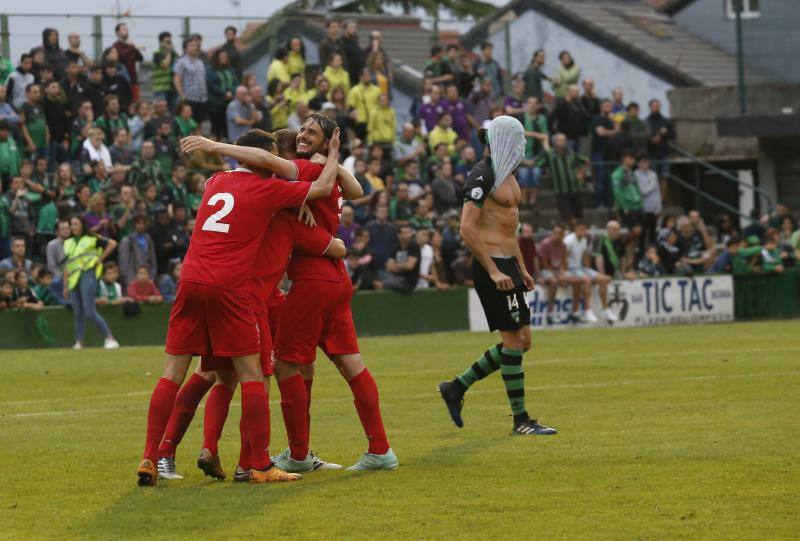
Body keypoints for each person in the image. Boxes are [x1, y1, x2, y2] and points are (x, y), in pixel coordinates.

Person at [137, 127, 342, 487]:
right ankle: (258, 464)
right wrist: (333, 153)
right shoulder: (268, 190)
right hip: (232, 290)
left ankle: (152, 457)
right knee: (253, 377)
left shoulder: (214, 181)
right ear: (263, 158)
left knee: (180, 374)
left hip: (189, 281)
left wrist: (298, 202)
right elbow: (326, 190)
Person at [438, 116, 556, 436]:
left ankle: (456, 387)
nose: (523, 145)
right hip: (493, 267)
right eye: (518, 138)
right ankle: (521, 420)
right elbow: (466, 227)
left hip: (509, 265)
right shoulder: (483, 173)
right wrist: (492, 269)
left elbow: (509, 229)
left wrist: (522, 267)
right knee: (513, 341)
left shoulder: (507, 175)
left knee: (523, 342)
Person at [61, 214, 119, 349]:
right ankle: (79, 342)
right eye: (72, 224)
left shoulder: (92, 239)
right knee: (78, 312)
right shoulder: (67, 243)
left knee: (89, 310)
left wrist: (100, 259)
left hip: (88, 274)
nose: (73, 227)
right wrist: (65, 284)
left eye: (76, 224)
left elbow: (112, 243)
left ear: (82, 225)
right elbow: (67, 265)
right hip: (73, 278)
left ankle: (110, 338)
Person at [565, 222, 617, 323]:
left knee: (605, 279)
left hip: (580, 268)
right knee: (587, 280)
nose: (585, 232)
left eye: (585, 229)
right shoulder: (569, 240)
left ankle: (605, 309)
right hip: (571, 268)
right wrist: (566, 273)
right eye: (582, 229)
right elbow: (564, 257)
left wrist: (588, 270)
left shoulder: (584, 240)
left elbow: (584, 257)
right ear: (576, 229)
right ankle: (587, 310)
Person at [537, 133, 588, 228]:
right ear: (555, 142)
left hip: (575, 189)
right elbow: (537, 163)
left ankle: (574, 234)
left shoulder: (571, 152)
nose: (563, 142)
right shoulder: (550, 155)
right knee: (570, 219)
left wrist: (581, 173)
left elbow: (585, 161)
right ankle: (573, 233)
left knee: (579, 217)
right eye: (561, 140)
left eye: (564, 140)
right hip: (561, 192)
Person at [538, 224, 581, 324]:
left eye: (560, 234)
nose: (557, 235)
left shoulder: (563, 245)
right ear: (552, 233)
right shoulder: (545, 243)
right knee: (554, 282)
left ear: (562, 235)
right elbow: (543, 263)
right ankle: (550, 313)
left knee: (577, 281)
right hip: (545, 270)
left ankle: (575, 312)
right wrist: (558, 275)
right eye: (555, 233)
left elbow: (564, 262)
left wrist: (562, 273)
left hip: (558, 271)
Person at [518, 96, 548, 206]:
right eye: (530, 103)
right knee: (524, 176)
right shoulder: (521, 117)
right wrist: (536, 134)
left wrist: (547, 152)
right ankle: (524, 200)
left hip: (537, 154)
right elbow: (519, 131)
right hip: (522, 154)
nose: (532, 105)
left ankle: (532, 202)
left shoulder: (542, 118)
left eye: (535, 103)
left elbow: (545, 135)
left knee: (536, 176)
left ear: (538, 106)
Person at [173, 37, 208, 123]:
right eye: (191, 45)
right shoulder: (181, 62)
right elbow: (177, 80)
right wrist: (182, 96)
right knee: (189, 123)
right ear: (185, 49)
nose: (195, 47)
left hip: (202, 99)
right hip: (189, 98)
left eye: (195, 45)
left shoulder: (200, 62)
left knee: (200, 123)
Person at [377, 224, 420, 293]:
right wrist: (402, 266)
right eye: (405, 233)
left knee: (379, 284)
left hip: (407, 281)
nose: (409, 235)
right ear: (399, 235)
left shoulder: (414, 246)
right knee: (378, 276)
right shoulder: (395, 247)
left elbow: (410, 266)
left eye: (409, 232)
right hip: (395, 277)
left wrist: (396, 265)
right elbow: (389, 267)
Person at [206, 49, 238, 139]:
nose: (224, 58)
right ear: (217, 57)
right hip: (216, 103)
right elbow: (211, 84)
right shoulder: (210, 69)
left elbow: (235, 82)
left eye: (225, 56)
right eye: (221, 56)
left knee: (227, 126)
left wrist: (231, 92)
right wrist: (224, 93)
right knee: (216, 127)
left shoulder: (230, 69)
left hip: (229, 102)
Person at [635, 155, 662, 245]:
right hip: (643, 208)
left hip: (653, 208)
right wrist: (652, 184)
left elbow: (657, 191)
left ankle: (652, 252)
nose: (644, 164)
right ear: (638, 164)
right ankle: (641, 252)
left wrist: (658, 207)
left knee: (653, 232)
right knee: (642, 232)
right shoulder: (636, 174)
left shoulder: (653, 174)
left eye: (646, 162)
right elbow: (643, 191)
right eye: (641, 162)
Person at [112, 23, 144, 101]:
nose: (126, 31)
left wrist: (134, 48)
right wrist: (133, 47)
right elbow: (121, 56)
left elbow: (140, 58)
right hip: (123, 80)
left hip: (134, 80)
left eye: (127, 29)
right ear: (117, 33)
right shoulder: (115, 46)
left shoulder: (130, 46)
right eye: (123, 29)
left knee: (135, 103)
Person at [347, 68, 380, 141]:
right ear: (361, 77)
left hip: (374, 122)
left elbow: (379, 105)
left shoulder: (377, 90)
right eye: (366, 75)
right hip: (360, 122)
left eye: (369, 75)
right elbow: (351, 107)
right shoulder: (354, 90)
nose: (368, 77)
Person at [152, 32, 176, 108]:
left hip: (172, 88)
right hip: (161, 88)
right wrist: (169, 52)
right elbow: (165, 65)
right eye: (167, 42)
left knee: (173, 111)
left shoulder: (174, 54)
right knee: (161, 109)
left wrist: (173, 51)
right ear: (161, 42)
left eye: (170, 42)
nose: (169, 44)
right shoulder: (157, 54)